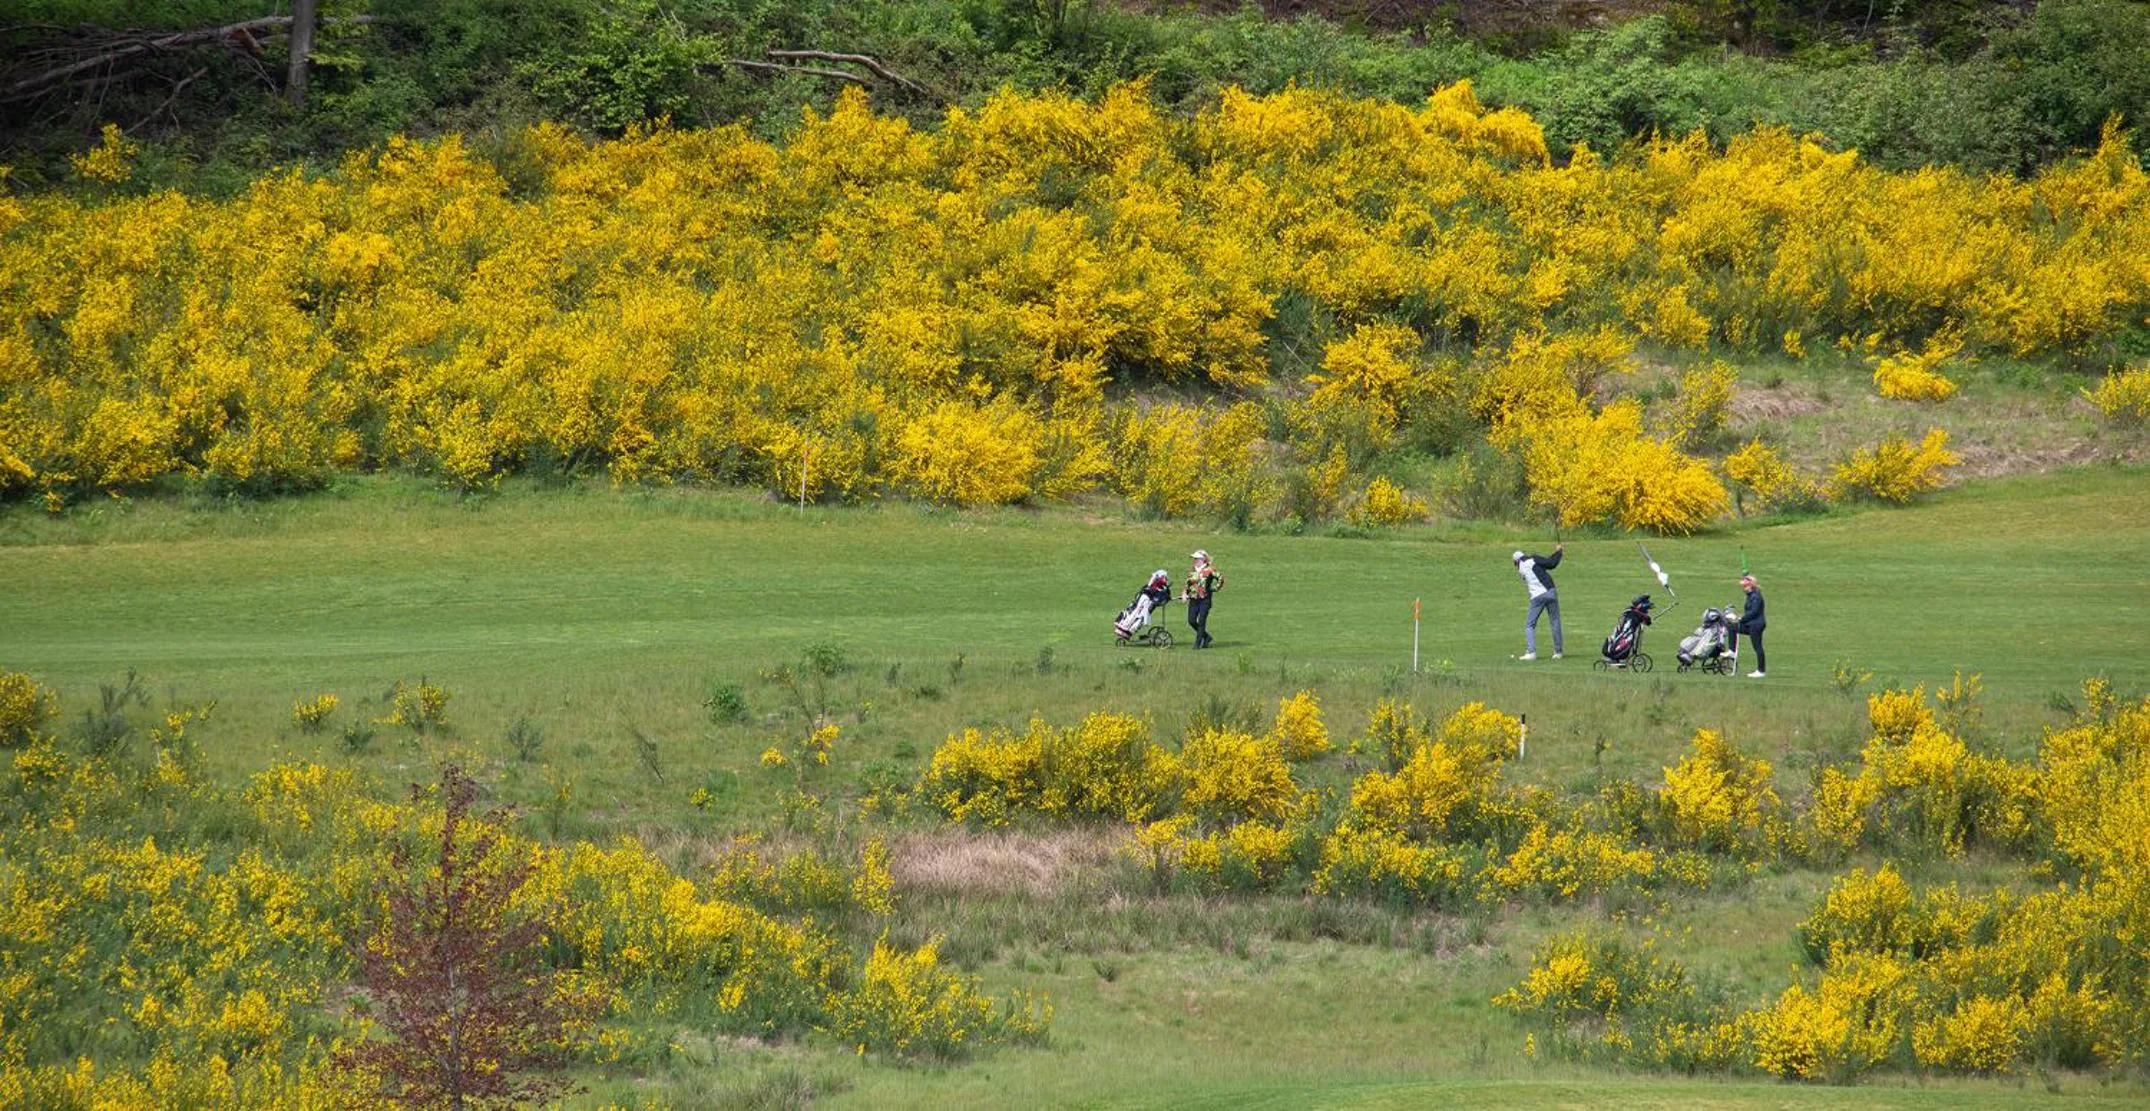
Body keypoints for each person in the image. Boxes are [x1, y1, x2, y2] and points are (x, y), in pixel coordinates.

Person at [1513, 544, 1563, 660]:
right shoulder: (1533, 559)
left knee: (1529, 625)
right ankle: (1558, 652)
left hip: (1537, 596)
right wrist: (1558, 552)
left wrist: (1557, 553)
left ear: (1516, 562)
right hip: (1551, 591)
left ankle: (1531, 652)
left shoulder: (1521, 570)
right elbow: (1551, 563)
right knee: (1555, 621)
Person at [1114, 570, 1173, 642]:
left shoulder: (1154, 585)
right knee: (1137, 615)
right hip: (1145, 600)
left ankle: (1127, 631)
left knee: (1138, 616)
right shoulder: (1155, 586)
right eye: (1165, 578)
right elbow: (1159, 595)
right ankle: (1125, 630)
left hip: (1145, 600)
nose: (1165, 579)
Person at [1182, 550, 1225, 649]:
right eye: (1194, 558)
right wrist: (1184, 593)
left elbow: (1221, 578)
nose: (1194, 560)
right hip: (1193, 599)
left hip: (1205, 599)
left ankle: (1198, 643)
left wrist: (1214, 589)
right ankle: (1206, 637)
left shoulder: (1210, 570)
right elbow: (1188, 583)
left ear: (1202, 559)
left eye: (1196, 558)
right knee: (1191, 620)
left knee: (1202, 621)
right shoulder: (1192, 570)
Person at [1732, 573, 1766, 678]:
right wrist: (1739, 618)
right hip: (1750, 624)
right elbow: (1748, 612)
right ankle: (1731, 651)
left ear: (1751, 585)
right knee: (1731, 627)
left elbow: (1754, 612)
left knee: (1757, 647)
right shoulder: (1750, 595)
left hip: (1756, 625)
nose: (1743, 587)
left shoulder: (1756, 596)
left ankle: (1761, 671)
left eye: (1746, 584)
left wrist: (1740, 619)